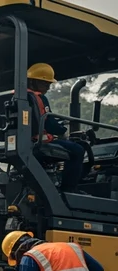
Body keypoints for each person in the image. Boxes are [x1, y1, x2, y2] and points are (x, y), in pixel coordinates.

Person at [26, 63, 86, 193]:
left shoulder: (14, 98)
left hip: (21, 142)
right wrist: (63, 131)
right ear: (32, 82)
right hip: (38, 141)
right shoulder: (38, 98)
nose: (47, 87)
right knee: (78, 150)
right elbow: (50, 124)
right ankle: (69, 190)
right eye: (44, 83)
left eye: (49, 84)